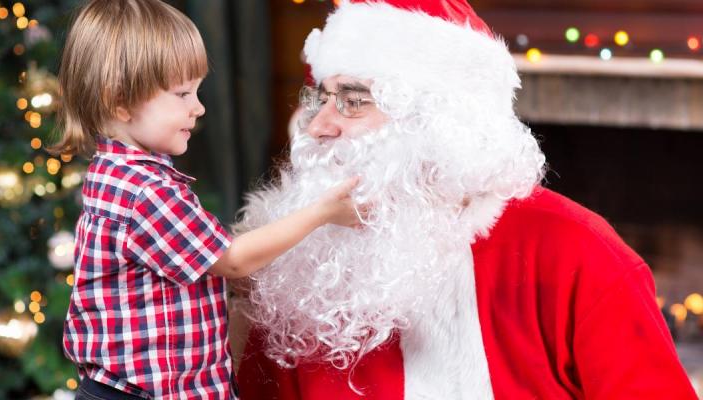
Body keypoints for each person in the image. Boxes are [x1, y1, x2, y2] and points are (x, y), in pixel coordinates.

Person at [234, 0, 698, 399]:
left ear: (434, 124)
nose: (317, 126)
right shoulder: (305, 266)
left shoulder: (577, 251)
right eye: (322, 99)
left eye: (353, 102)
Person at [52, 1, 363, 398]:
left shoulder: (116, 171)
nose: (198, 108)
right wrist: (322, 212)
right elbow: (231, 260)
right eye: (182, 94)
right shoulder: (148, 191)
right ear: (120, 100)